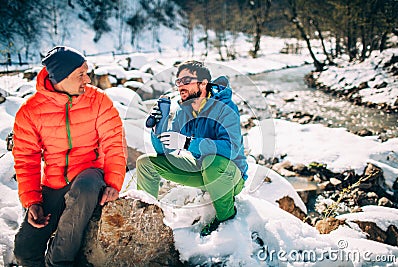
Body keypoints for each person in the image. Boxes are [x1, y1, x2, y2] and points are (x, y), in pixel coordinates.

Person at [12, 46, 127, 266]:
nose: (88, 80)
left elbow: (114, 142)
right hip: (54, 182)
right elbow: (26, 160)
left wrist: (113, 183)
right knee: (24, 252)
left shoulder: (99, 101)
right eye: (80, 75)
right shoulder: (30, 111)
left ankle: (58, 262)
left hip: (90, 174)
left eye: (87, 72)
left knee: (84, 188)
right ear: (61, 77)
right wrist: (32, 201)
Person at [136, 60, 248, 237]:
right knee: (146, 163)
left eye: (187, 80)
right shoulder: (185, 111)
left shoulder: (225, 108)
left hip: (230, 176)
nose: (181, 85)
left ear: (203, 83)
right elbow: (165, 151)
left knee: (213, 162)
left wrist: (188, 143)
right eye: (178, 81)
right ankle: (144, 216)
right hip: (200, 170)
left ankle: (226, 218)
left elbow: (231, 149)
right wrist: (158, 127)